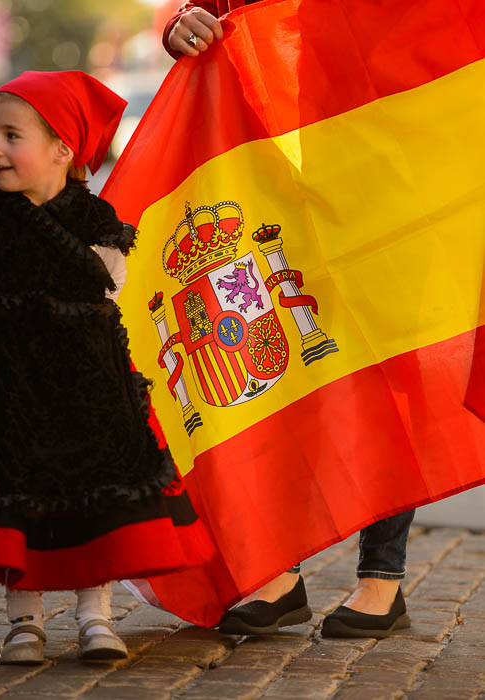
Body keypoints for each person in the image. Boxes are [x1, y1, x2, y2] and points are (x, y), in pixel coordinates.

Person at [0, 70, 213, 665]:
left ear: (62, 149)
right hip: (5, 378)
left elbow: (107, 284)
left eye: (11, 136)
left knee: (94, 491)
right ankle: (24, 620)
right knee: (12, 488)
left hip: (87, 380)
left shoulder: (94, 217)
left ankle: (94, 616)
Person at [162, 1, 415, 639]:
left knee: (379, 359)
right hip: (260, 158)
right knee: (272, 353)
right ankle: (277, 571)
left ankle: (381, 579)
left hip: (372, 144)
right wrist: (182, 25)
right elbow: (208, 11)